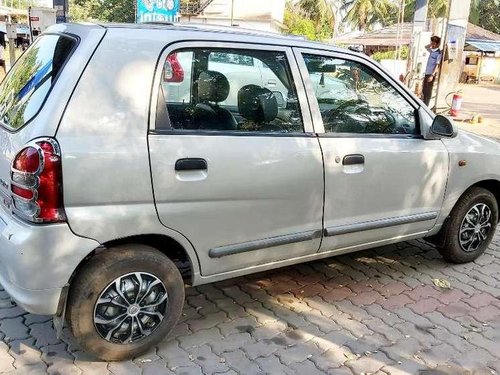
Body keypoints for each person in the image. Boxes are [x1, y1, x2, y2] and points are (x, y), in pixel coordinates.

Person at [422, 35, 442, 107]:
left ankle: (426, 105)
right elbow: (426, 47)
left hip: (431, 74)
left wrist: (432, 75)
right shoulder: (431, 51)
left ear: (437, 44)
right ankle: (424, 103)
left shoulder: (439, 53)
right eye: (432, 43)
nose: (432, 45)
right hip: (427, 73)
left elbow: (437, 65)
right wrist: (431, 44)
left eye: (434, 44)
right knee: (424, 89)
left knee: (428, 91)